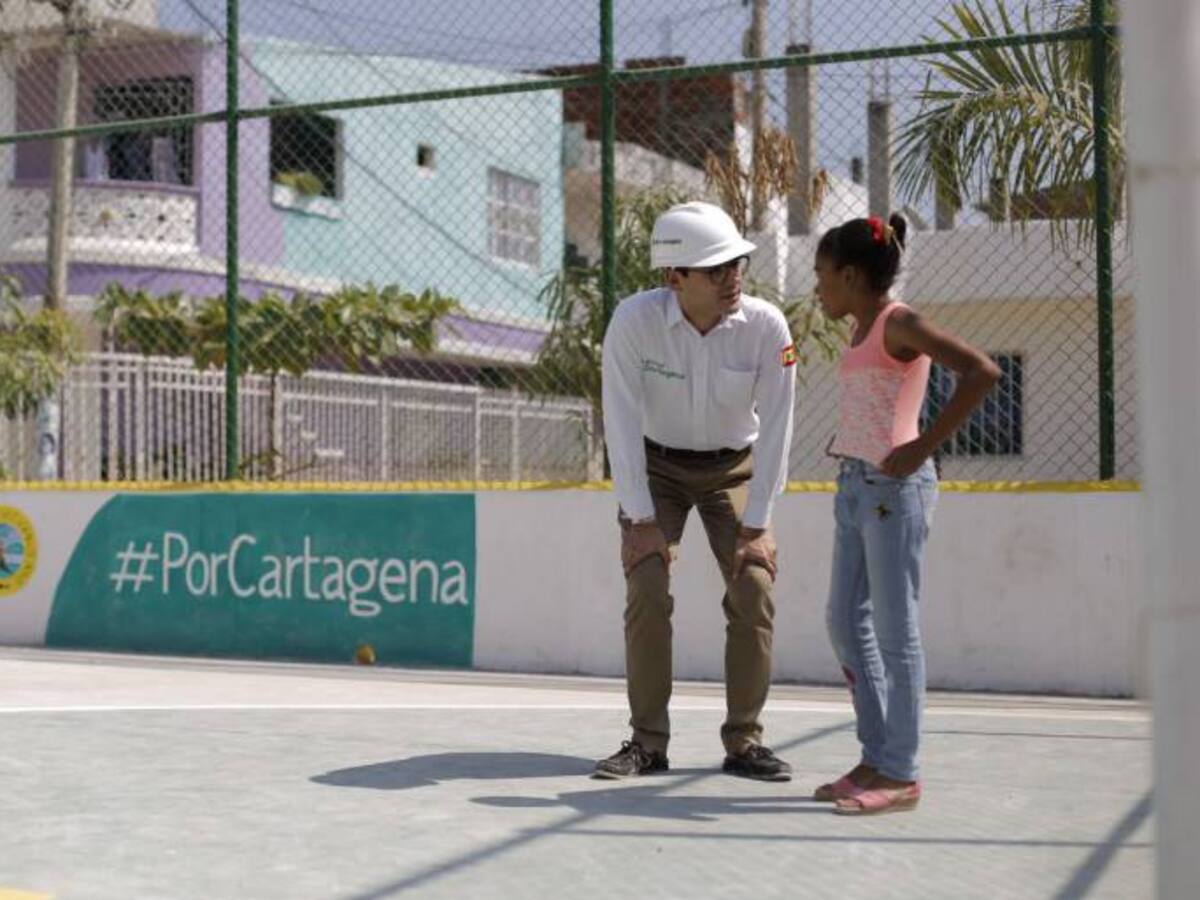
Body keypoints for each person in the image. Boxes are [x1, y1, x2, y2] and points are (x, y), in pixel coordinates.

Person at [594, 201, 797, 781]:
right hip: (656, 470)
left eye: (737, 264)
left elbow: (780, 426)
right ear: (673, 278)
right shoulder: (633, 323)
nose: (733, 277)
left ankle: (745, 742)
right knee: (648, 583)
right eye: (717, 269)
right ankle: (647, 745)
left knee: (755, 586)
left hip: (735, 468)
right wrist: (639, 520)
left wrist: (757, 524)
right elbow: (621, 422)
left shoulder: (766, 327)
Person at [811, 214, 1000, 814]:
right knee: (844, 620)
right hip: (855, 488)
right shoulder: (864, 326)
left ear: (849, 274)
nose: (818, 289)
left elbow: (982, 371)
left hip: (895, 493)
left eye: (822, 277)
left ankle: (901, 773)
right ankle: (875, 756)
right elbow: (876, 397)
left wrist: (923, 445)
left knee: (897, 635)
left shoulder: (900, 322)